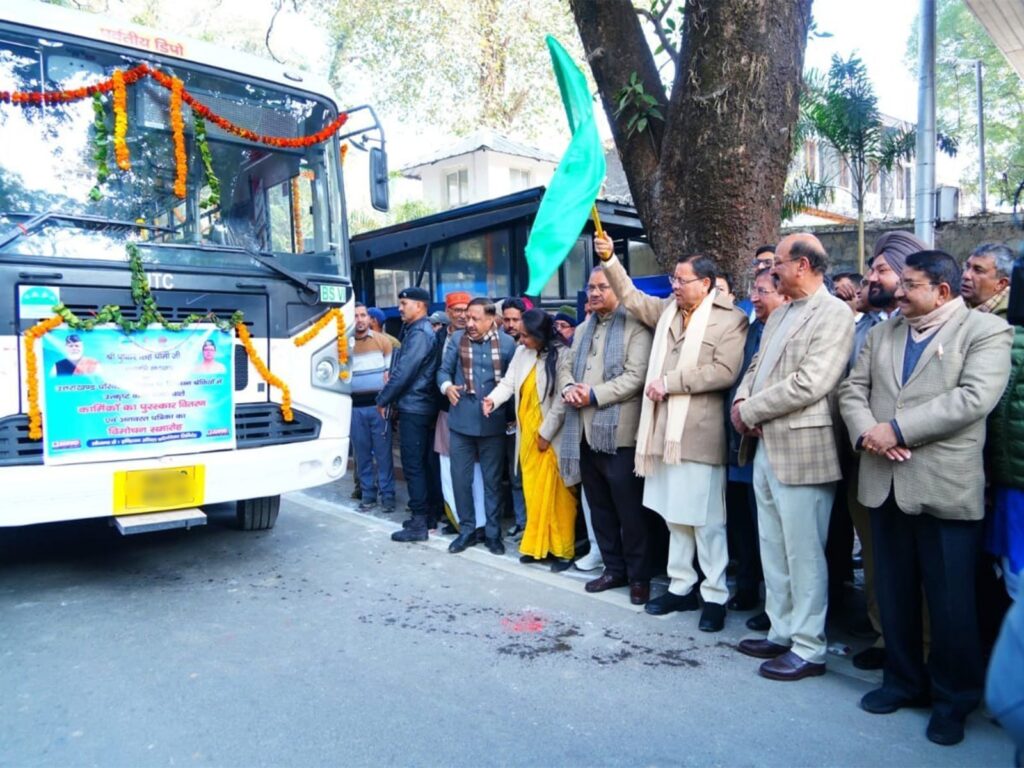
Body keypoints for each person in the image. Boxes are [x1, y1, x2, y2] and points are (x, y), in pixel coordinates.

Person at [838, 249, 1012, 746]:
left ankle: (953, 699)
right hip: (883, 481)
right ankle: (902, 682)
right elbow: (852, 390)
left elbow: (973, 398)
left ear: (941, 290)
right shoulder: (884, 332)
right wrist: (869, 432)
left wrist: (897, 429)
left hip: (942, 486)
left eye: (909, 284)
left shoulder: (985, 331)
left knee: (951, 604)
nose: (898, 291)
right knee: (894, 594)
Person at [596, 232, 747, 631]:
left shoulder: (731, 318)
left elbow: (724, 371)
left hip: (699, 436)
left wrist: (670, 382)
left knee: (706, 522)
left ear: (706, 283)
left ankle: (714, 595)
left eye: (682, 280)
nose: (675, 285)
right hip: (662, 435)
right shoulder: (666, 310)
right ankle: (681, 587)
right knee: (674, 518)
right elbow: (630, 297)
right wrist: (610, 260)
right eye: (673, 279)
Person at [731, 233, 855, 681]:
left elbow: (812, 382)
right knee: (773, 546)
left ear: (802, 265)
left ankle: (809, 647)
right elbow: (755, 366)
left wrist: (751, 411)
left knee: (804, 554)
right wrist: (741, 401)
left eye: (777, 263)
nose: (770, 271)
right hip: (765, 445)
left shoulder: (835, 314)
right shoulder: (783, 312)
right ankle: (781, 630)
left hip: (803, 449)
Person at [559, 264, 654, 605]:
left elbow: (636, 376)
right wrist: (568, 388)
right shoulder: (583, 327)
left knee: (630, 513)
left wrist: (594, 394)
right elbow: (565, 365)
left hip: (619, 435)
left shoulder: (636, 325)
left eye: (603, 286)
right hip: (584, 434)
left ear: (619, 288)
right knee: (599, 509)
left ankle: (639, 577)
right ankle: (614, 569)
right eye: (592, 287)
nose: (595, 292)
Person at [484, 309, 575, 570]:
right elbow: (508, 383)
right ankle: (538, 548)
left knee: (558, 498)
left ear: (540, 334)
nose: (521, 340)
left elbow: (562, 399)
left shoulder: (563, 355)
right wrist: (492, 400)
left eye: (525, 336)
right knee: (534, 494)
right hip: (526, 437)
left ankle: (563, 551)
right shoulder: (522, 352)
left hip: (551, 437)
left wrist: (545, 433)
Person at [726, 269, 787, 623]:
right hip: (739, 441)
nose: (754, 298)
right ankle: (747, 587)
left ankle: (775, 606)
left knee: (772, 531)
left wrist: (752, 412)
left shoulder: (789, 331)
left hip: (772, 441)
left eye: (762, 291)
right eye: (753, 290)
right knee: (744, 524)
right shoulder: (750, 329)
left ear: (783, 294)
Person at [438, 298, 516, 555]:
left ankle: (493, 534)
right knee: (461, 481)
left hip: (493, 424)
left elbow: (513, 383)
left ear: (491, 319)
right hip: (461, 423)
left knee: (493, 482)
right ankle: (467, 531)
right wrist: (447, 387)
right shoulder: (457, 339)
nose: (469, 323)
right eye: (468, 317)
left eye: (475, 318)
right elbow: (443, 371)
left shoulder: (508, 344)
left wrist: (511, 416)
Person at [375, 286, 439, 543]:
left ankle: (419, 522)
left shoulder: (420, 333)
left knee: (414, 465)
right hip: (418, 404)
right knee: (421, 464)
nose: (399, 308)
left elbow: (404, 372)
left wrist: (383, 398)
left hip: (416, 406)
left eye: (404, 303)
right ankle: (427, 516)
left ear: (420, 306)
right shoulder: (417, 330)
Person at [433, 291, 487, 538]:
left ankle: (480, 523)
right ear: (448, 312)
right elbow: (437, 372)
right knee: (449, 467)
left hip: (478, 414)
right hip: (447, 411)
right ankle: (458, 521)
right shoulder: (438, 338)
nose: (463, 316)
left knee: (477, 470)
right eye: (457, 310)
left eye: (467, 310)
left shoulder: (487, 339)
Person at [350, 303, 396, 514]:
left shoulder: (382, 341)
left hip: (379, 407)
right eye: (355, 316)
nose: (359, 319)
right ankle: (368, 495)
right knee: (362, 455)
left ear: (370, 319)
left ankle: (388, 496)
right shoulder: (343, 344)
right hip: (355, 408)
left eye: (363, 315)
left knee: (384, 454)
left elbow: (391, 376)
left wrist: (388, 404)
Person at [500, 297, 529, 537]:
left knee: (524, 475)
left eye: (515, 319)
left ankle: (529, 525)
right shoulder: (499, 344)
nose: (510, 324)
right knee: (513, 475)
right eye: (506, 319)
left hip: (526, 423)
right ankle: (521, 522)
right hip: (503, 421)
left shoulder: (532, 347)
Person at [962, 242, 1013, 317]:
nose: (966, 275)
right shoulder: (955, 305)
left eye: (978, 270)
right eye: (967, 267)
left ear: (1000, 284)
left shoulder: (1014, 318)